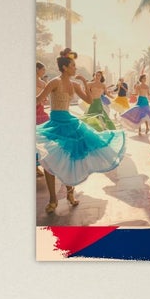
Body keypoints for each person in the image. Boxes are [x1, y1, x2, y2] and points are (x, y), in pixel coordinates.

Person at [35, 52, 126, 214]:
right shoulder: (54, 82)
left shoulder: (75, 85)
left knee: (69, 160)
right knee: (49, 161)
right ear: (64, 67)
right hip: (55, 125)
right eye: (72, 66)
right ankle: (53, 200)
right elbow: (38, 98)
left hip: (69, 123)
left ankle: (70, 195)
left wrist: (84, 81)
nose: (75, 68)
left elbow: (90, 100)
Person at [118, 73, 150, 141]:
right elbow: (136, 94)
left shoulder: (147, 86)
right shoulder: (138, 86)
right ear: (141, 79)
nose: (145, 79)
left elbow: (148, 94)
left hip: (145, 101)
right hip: (140, 101)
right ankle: (139, 130)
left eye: (145, 78)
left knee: (146, 115)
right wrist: (131, 93)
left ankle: (147, 128)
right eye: (143, 78)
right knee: (140, 115)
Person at [79, 68, 116, 134]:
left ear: (101, 77)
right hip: (92, 102)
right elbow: (85, 92)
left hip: (99, 103)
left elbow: (107, 93)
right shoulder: (90, 84)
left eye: (99, 75)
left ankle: (101, 131)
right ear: (94, 76)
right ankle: (88, 131)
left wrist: (114, 98)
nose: (97, 76)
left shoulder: (103, 85)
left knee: (101, 117)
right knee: (89, 116)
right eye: (96, 75)